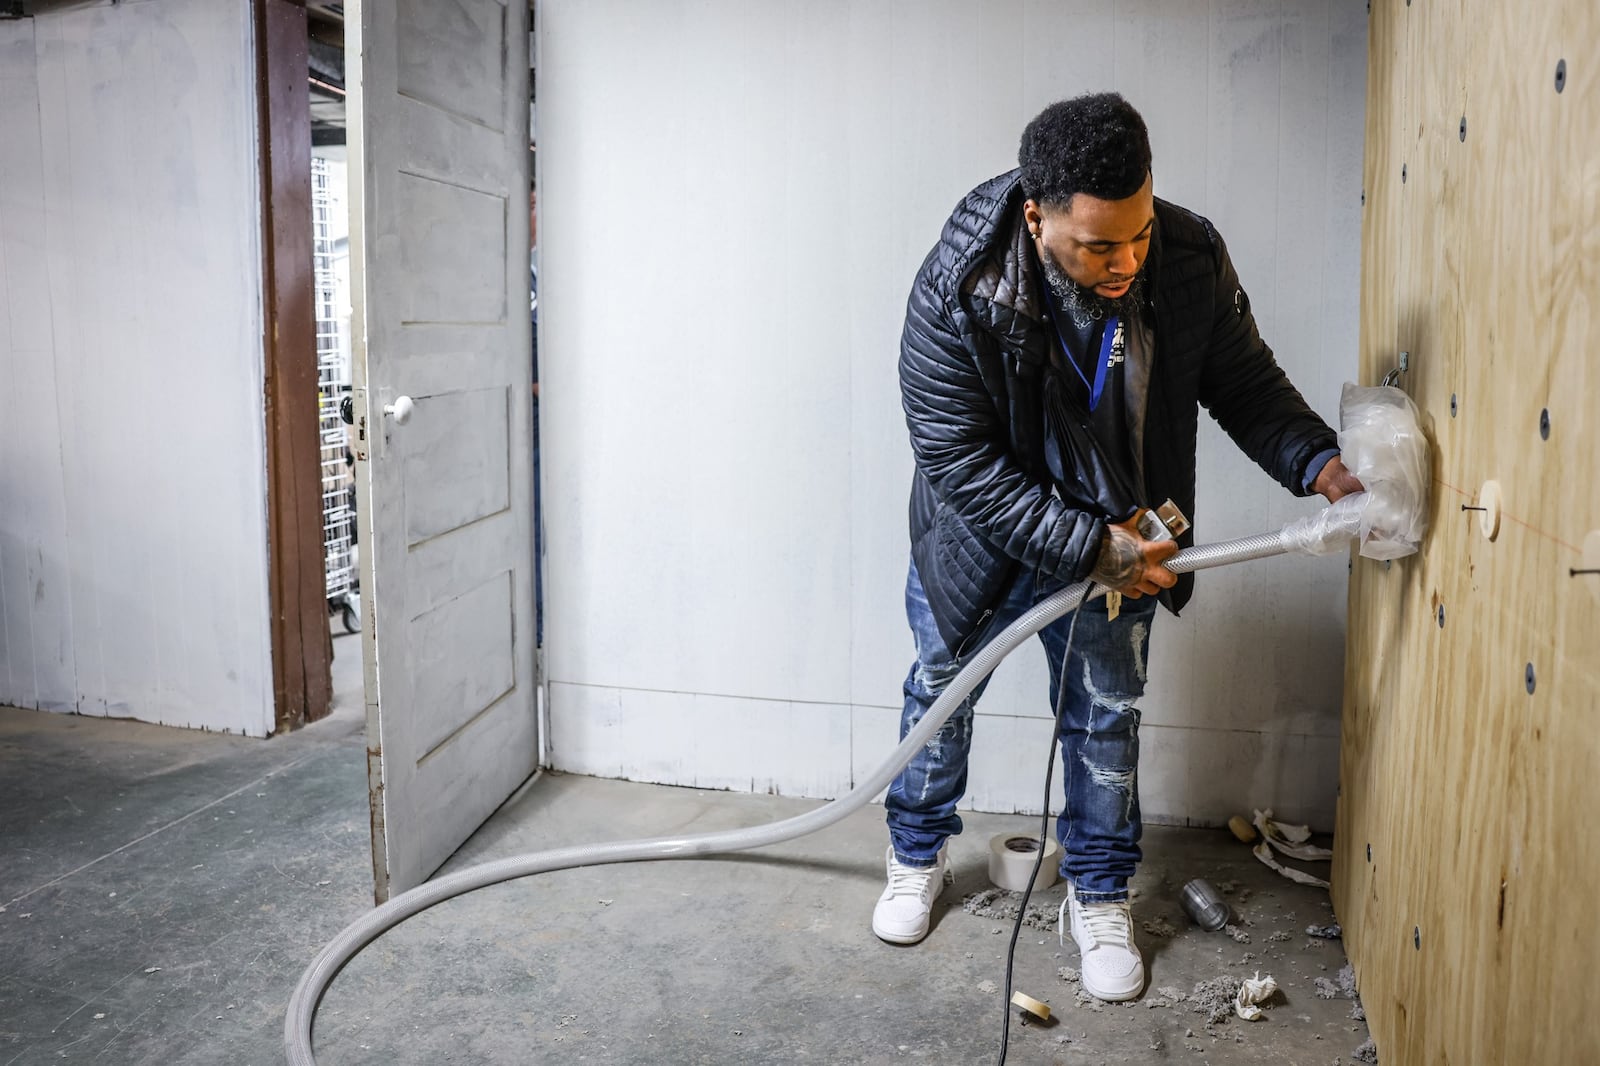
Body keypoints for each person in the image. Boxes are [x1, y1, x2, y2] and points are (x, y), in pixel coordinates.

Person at [872, 93, 1364, 1003]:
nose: (1125, 262)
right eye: (1099, 246)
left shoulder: (1185, 258)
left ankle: (1098, 893)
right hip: (981, 534)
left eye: (1136, 234)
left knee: (1106, 711)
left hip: (1117, 537)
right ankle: (917, 854)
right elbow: (955, 456)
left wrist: (1318, 462)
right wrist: (1081, 542)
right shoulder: (959, 287)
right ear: (1036, 216)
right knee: (941, 690)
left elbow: (1244, 381)